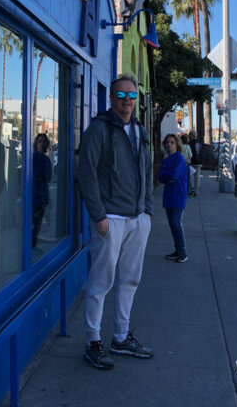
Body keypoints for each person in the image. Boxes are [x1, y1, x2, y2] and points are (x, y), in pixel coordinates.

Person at [78, 73, 154, 370]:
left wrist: (147, 211)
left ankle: (121, 336)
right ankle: (93, 341)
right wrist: (98, 216)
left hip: (137, 219)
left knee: (130, 280)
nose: (126, 100)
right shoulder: (100, 129)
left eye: (131, 95)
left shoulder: (139, 130)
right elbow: (87, 173)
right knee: (100, 282)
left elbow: (147, 171)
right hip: (110, 219)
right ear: (111, 98)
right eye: (121, 95)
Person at [158, 134, 189, 262]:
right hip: (168, 196)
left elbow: (174, 176)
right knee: (172, 224)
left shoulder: (179, 159)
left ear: (177, 145)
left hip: (178, 196)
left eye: (172, 142)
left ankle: (182, 252)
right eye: (167, 142)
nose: (168, 145)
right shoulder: (165, 161)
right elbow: (160, 178)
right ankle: (177, 250)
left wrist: (167, 175)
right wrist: (167, 176)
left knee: (176, 223)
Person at [32, 133, 53, 247]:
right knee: (33, 221)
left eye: (44, 141)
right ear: (36, 143)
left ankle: (33, 242)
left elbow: (49, 177)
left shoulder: (47, 159)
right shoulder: (33, 157)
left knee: (38, 222)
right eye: (40, 141)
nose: (42, 144)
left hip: (43, 195)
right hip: (35, 194)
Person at [187, 130, 201, 196]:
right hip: (198, 162)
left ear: (191, 135)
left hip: (191, 162)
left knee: (190, 176)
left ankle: (191, 189)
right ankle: (196, 191)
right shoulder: (198, 143)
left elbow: (189, 154)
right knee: (197, 177)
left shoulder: (189, 144)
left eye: (189, 134)